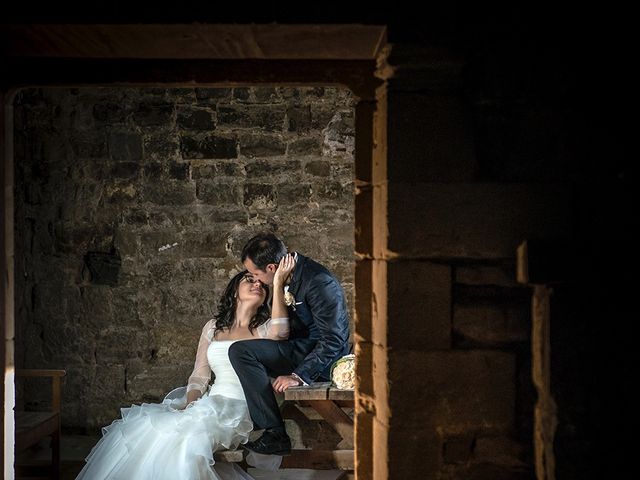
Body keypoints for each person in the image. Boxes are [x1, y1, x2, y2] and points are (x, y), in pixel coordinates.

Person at [76, 260, 294, 480]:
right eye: (250, 280)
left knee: (190, 440)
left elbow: (281, 332)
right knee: (151, 430)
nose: (258, 285)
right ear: (234, 291)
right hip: (212, 402)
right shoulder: (213, 327)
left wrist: (276, 284)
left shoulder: (264, 329)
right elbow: (200, 375)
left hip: (242, 406)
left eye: (262, 285)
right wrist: (191, 403)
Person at [229, 233, 350, 456]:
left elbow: (334, 341)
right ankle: (274, 432)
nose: (256, 281)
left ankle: (274, 433)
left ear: (273, 267)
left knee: (242, 351)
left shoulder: (319, 282)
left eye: (257, 274)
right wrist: (276, 285)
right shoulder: (282, 278)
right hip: (298, 349)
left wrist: (298, 376)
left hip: (322, 358)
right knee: (240, 350)